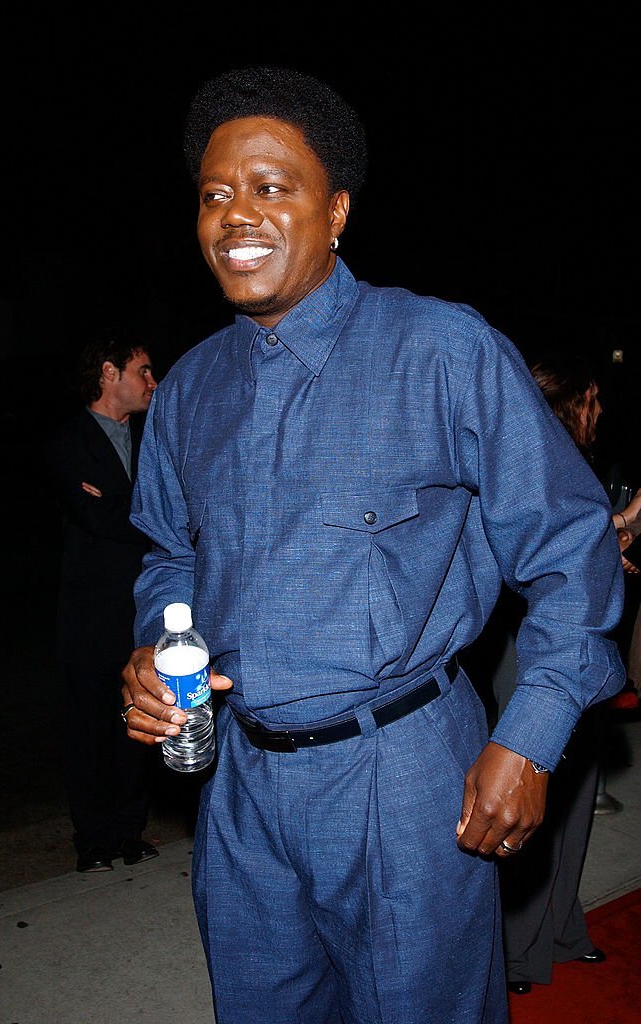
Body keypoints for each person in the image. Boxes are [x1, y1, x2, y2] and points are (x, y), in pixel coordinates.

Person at [120, 67, 625, 1024]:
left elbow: (569, 544)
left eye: (272, 187)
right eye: (215, 194)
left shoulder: (442, 350)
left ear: (337, 209)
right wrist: (156, 647)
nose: (237, 215)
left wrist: (533, 732)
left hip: (403, 778)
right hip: (240, 788)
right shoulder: (188, 388)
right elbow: (166, 555)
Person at [489, 356, 618, 994]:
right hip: (530, 643)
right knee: (529, 793)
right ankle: (515, 950)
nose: (603, 413)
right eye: (597, 400)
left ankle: (563, 929)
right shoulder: (529, 452)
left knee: (576, 794)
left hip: (582, 643)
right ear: (582, 397)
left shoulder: (580, 459)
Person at [46, 328, 159, 872]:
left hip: (145, 613)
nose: (153, 383)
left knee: (139, 719)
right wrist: (142, 513)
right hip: (91, 618)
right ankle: (93, 842)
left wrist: (121, 505)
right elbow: (96, 518)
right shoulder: (68, 440)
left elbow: (166, 514)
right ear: (109, 374)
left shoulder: (154, 438)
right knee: (90, 728)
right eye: (143, 371)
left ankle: (129, 831)